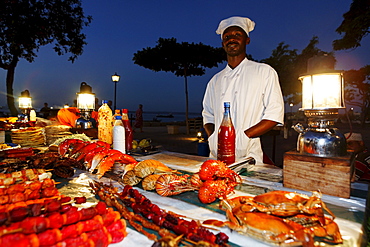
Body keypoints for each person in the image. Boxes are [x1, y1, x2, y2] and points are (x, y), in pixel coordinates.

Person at [202, 16, 284, 164]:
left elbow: (274, 114)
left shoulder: (264, 72)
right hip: (216, 158)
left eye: (237, 35)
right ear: (223, 44)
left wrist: (244, 136)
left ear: (247, 40)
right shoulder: (214, 81)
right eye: (227, 37)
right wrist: (214, 136)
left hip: (248, 156)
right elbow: (208, 115)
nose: (231, 39)